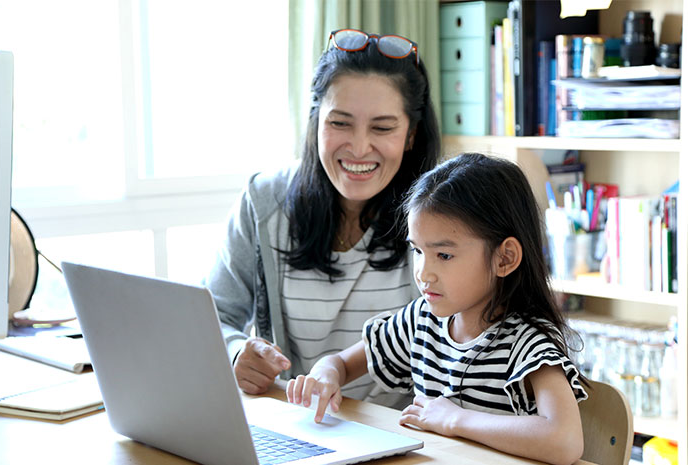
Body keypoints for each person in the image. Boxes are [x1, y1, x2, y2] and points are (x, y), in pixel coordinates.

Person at [286, 153, 589, 465]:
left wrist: (456, 420)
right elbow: (342, 364)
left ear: (505, 258)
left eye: (443, 255)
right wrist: (325, 376)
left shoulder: (528, 342)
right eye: (418, 250)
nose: (423, 272)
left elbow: (564, 440)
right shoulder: (421, 321)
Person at [204, 28, 440, 409]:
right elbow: (210, 314)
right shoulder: (265, 201)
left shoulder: (443, 218)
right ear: (316, 121)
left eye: (382, 127)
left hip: (404, 438)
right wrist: (235, 351)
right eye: (340, 123)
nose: (360, 147)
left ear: (411, 135)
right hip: (293, 430)